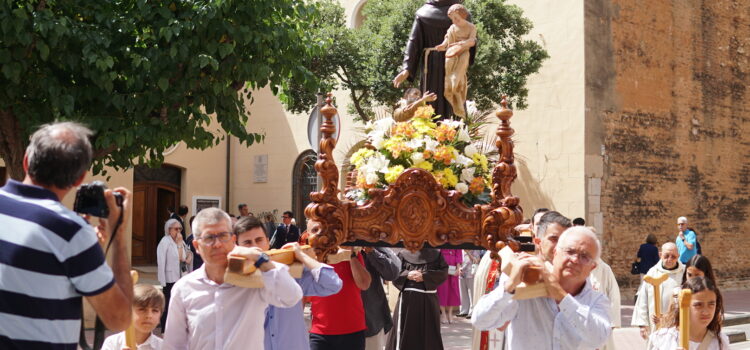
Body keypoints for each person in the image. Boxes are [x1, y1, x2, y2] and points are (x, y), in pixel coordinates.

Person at [0, 122, 133, 348]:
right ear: (79, 179)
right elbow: (119, 319)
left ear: (26, 161)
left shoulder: (71, 233)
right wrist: (118, 236)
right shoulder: (70, 233)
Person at [162, 208, 302, 349]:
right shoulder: (184, 288)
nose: (217, 244)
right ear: (196, 246)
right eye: (209, 238)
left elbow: (291, 296)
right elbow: (173, 344)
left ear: (233, 240)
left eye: (223, 236)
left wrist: (259, 258)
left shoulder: (255, 279)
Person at [472, 227, 612, 349]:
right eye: (570, 251)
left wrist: (561, 297)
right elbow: (480, 321)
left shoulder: (597, 301)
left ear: (593, 266)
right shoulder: (526, 287)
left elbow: (599, 338)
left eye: (584, 256)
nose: (575, 260)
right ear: (556, 252)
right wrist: (509, 287)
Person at [234, 216, 342, 350]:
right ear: (238, 247)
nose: (255, 247)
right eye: (247, 243)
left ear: (268, 241)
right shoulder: (232, 280)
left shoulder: (288, 270)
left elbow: (333, 284)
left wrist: (302, 256)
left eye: (259, 240)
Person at [392, 0, 476, 119]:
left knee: (454, 95)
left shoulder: (461, 12)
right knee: (431, 100)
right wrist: (407, 68)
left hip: (456, 61)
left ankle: (457, 134)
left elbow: (471, 38)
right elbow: (414, 42)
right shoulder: (423, 13)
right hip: (431, 66)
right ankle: (430, 135)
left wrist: (465, 45)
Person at [308, 247, 372, 350]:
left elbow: (364, 284)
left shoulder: (353, 253)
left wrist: (351, 256)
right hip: (320, 331)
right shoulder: (312, 255)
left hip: (352, 330)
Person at [386, 248, 449, 350]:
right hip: (408, 302)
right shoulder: (403, 254)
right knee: (406, 332)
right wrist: (407, 275)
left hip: (428, 300)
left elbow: (443, 272)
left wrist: (425, 276)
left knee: (429, 333)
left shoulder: (436, 255)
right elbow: (394, 272)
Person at [648, 276, 729, 350]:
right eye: (698, 305)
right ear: (686, 306)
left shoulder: (719, 342)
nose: (706, 311)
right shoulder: (666, 339)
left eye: (711, 304)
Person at [632, 242, 685, 339]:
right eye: (666, 256)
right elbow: (643, 298)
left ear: (678, 256)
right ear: (660, 255)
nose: (669, 259)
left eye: (673, 256)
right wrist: (643, 325)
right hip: (655, 325)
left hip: (677, 325)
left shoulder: (684, 273)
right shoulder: (653, 272)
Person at [434, 4, 476, 117]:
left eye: (456, 18)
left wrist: (463, 44)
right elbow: (447, 38)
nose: (454, 21)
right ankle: (455, 99)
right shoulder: (452, 28)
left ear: (463, 15)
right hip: (451, 53)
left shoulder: (471, 27)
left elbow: (472, 41)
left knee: (457, 78)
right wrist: (443, 45)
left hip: (463, 53)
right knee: (448, 80)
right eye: (452, 19)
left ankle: (457, 96)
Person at [360, 247, 401, 350]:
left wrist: (371, 251)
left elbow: (393, 272)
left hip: (370, 320)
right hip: (337, 323)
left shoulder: (372, 241)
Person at [102, 284, 165, 350]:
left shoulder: (163, 346)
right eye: (142, 309)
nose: (149, 315)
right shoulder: (113, 343)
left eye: (155, 310)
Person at [156, 218, 192, 332]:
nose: (178, 231)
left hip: (181, 276)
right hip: (169, 278)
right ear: (169, 229)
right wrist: (162, 280)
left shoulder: (180, 240)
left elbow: (184, 256)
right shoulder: (165, 241)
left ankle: (177, 327)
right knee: (168, 303)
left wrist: (186, 253)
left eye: (180, 229)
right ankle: (164, 329)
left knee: (179, 303)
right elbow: (161, 261)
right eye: (176, 229)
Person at [589, 256, 621, 350]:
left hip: (601, 319)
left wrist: (612, 322)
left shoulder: (604, 269)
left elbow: (614, 295)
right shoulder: (577, 267)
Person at [437, 248, 462, 323]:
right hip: (443, 264)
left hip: (453, 265)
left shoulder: (456, 239)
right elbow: (437, 253)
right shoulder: (441, 237)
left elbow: (459, 252)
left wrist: (458, 268)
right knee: (442, 290)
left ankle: (450, 314)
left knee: (453, 290)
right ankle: (443, 314)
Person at [457, 249, 481, 318]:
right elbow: (458, 261)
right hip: (462, 273)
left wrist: (468, 252)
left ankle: (472, 312)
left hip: (471, 273)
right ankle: (463, 311)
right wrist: (459, 268)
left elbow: (476, 261)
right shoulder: (461, 250)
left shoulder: (475, 249)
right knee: (463, 293)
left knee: (472, 293)